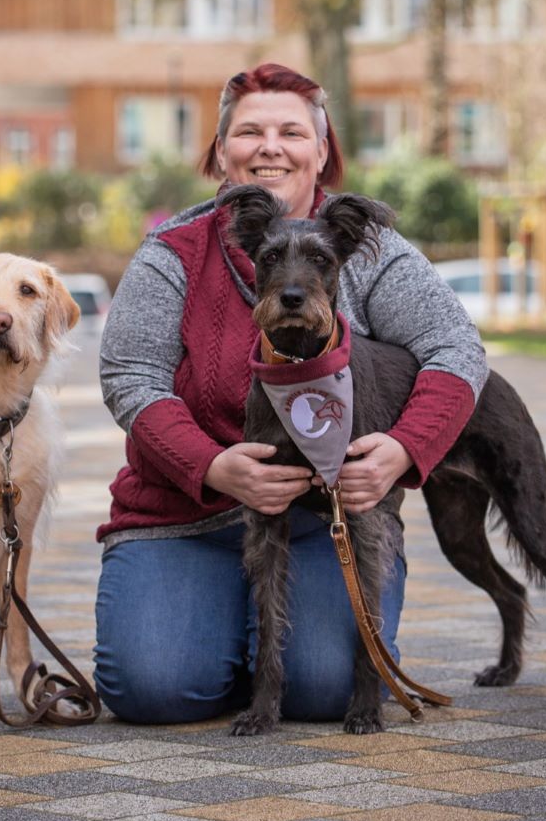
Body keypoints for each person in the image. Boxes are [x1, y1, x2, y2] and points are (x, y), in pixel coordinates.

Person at [94, 62, 488, 724]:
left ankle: (258, 641)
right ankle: (224, 629)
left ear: (322, 151)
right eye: (250, 131)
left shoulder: (366, 248)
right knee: (155, 689)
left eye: (291, 131)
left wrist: (402, 449)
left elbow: (458, 350)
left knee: (326, 693)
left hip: (320, 525)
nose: (271, 145)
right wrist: (212, 464)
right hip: (183, 520)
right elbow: (130, 377)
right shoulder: (173, 250)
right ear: (222, 153)